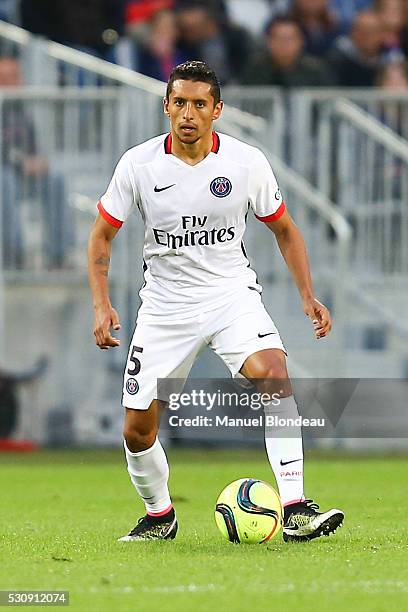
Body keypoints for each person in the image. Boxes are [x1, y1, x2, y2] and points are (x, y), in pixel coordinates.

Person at [88, 60, 344, 542]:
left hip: (230, 296)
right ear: (166, 107)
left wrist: (308, 295)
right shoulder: (138, 165)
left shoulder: (246, 163)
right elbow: (101, 237)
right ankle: (160, 516)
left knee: (275, 373)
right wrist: (102, 305)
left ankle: (294, 507)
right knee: (136, 432)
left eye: (199, 104)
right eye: (179, 103)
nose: (188, 113)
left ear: (217, 110)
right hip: (165, 307)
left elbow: (285, 230)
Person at [0, 56, 72, 268]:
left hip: (22, 174)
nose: (13, 83)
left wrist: (39, 161)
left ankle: (58, 255)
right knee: (6, 183)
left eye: (15, 77)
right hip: (6, 174)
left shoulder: (20, 109)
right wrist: (21, 162)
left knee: (55, 178)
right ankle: (13, 256)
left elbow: (32, 147)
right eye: (6, 78)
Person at [241, 16, 335, 87]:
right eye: (279, 38)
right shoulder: (255, 68)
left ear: (301, 41)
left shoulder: (316, 69)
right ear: (268, 41)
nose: (284, 44)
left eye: (289, 39)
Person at [328, 10, 385, 87]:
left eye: (372, 31)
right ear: (352, 33)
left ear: (382, 35)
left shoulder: (389, 61)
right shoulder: (337, 62)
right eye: (362, 31)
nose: (367, 36)